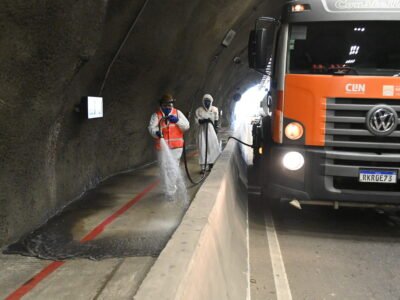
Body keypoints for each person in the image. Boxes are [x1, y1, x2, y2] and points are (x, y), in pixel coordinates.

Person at [148, 93, 190, 161]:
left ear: (172, 105)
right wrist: (156, 133)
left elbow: (187, 126)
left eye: (169, 105)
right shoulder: (156, 115)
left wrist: (177, 121)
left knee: (174, 166)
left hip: (176, 148)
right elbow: (151, 128)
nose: (167, 107)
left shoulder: (177, 113)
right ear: (161, 105)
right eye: (165, 105)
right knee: (164, 168)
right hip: (162, 148)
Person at [195, 94, 221, 174]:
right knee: (203, 147)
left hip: (211, 131)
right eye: (205, 101)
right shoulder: (199, 110)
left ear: (211, 102)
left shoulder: (214, 109)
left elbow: (216, 120)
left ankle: (211, 164)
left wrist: (216, 128)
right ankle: (203, 167)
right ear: (203, 102)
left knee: (212, 147)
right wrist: (204, 121)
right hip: (202, 131)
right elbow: (197, 121)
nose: (207, 103)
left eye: (208, 101)